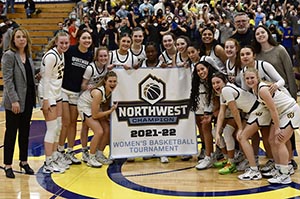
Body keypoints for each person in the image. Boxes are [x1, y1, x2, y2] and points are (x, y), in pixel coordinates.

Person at [242, 67, 300, 184]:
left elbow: (273, 110)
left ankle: (285, 174)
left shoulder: (262, 89)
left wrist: (277, 128)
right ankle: (279, 169)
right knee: (271, 140)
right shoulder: (255, 90)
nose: (250, 80)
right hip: (282, 113)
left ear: (257, 78)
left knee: (279, 141)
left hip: (290, 110)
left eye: (252, 78)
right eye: (247, 78)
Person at [2, 27, 36, 178]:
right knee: (11, 133)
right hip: (14, 102)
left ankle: (23, 161)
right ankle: (8, 165)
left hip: (28, 100)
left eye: (24, 37)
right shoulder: (9, 55)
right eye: (18, 37)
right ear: (13, 40)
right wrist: (14, 100)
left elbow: (28, 78)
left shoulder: (28, 56)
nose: (21, 39)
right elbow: (8, 81)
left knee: (25, 133)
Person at [57, 30, 93, 165]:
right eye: (84, 38)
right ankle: (59, 151)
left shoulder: (90, 55)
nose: (87, 40)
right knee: (66, 121)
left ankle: (70, 151)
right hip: (64, 90)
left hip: (76, 93)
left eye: (89, 38)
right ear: (79, 39)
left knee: (73, 123)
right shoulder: (70, 51)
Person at [38, 32, 70, 174]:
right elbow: (45, 80)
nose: (64, 45)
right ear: (56, 42)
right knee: (52, 129)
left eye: (66, 43)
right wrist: (45, 100)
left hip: (57, 93)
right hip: (48, 94)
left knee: (58, 127)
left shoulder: (61, 54)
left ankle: (55, 156)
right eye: (61, 42)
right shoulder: (51, 56)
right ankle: (48, 162)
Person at [78, 71, 118, 168]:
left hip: (93, 107)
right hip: (84, 106)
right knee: (99, 131)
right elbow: (95, 115)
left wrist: (107, 115)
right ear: (105, 81)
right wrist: (110, 111)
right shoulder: (98, 93)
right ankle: (91, 158)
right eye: (110, 81)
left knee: (107, 129)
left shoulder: (109, 92)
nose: (112, 84)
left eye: (114, 81)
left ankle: (99, 154)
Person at [80, 46, 112, 165]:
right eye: (101, 56)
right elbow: (83, 85)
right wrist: (88, 87)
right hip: (86, 100)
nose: (103, 58)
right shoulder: (90, 68)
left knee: (106, 129)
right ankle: (85, 152)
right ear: (96, 57)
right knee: (86, 127)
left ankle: (98, 153)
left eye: (105, 56)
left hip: (98, 100)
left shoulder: (106, 69)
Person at [189, 56, 220, 170]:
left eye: (202, 69)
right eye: (198, 71)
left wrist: (211, 113)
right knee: (205, 125)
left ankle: (230, 156)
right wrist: (209, 113)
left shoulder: (215, 79)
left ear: (208, 67)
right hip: (215, 108)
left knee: (224, 133)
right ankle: (209, 155)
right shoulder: (201, 82)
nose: (201, 72)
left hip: (226, 109)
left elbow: (218, 100)